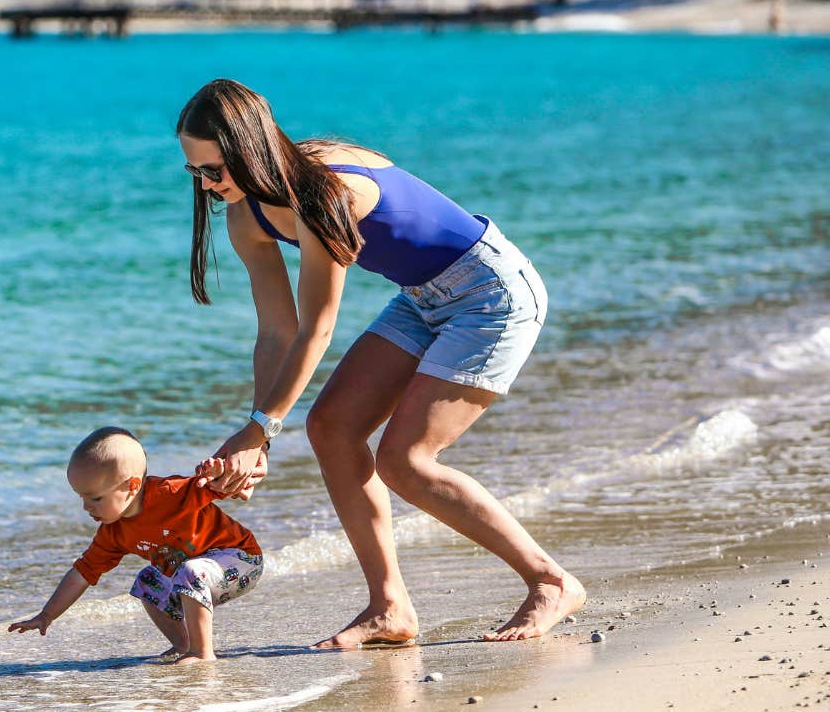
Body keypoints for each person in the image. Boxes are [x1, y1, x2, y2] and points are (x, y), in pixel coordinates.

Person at [175, 78, 586, 647]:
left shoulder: (323, 192)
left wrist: (260, 428)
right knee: (331, 427)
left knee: (406, 460)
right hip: (422, 296)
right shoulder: (248, 218)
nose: (209, 185)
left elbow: (318, 328)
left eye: (215, 168)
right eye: (195, 173)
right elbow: (277, 331)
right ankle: (390, 607)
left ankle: (550, 581)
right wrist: (258, 437)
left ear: (250, 149)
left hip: (492, 293)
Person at [8, 426, 266, 664]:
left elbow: (223, 487)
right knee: (146, 581)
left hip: (241, 560)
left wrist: (217, 472)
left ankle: (201, 652)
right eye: (82, 497)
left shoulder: (172, 493)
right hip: (195, 574)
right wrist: (46, 615)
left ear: (132, 486)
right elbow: (82, 574)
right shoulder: (113, 532)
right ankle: (183, 644)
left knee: (191, 572)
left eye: (95, 498)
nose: (86, 506)